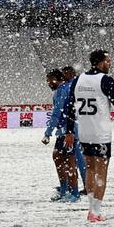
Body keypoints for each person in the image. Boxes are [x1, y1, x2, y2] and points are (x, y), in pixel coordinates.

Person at [61, 50, 114, 222]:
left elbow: (70, 106)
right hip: (100, 132)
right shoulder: (105, 80)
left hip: (85, 131)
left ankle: (90, 208)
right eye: (108, 61)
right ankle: (96, 211)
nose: (110, 63)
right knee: (101, 171)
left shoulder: (78, 79)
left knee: (90, 169)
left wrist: (69, 130)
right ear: (100, 62)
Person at [42, 69, 82, 202]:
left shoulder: (62, 90)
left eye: (49, 81)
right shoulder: (66, 88)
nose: (48, 83)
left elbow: (57, 113)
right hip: (66, 129)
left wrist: (48, 133)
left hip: (68, 130)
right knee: (58, 157)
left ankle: (74, 193)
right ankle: (65, 190)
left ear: (56, 79)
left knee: (69, 160)